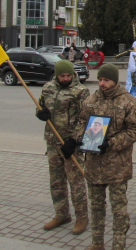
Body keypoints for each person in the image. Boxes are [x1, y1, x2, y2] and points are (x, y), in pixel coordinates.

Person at [68, 63, 136, 250]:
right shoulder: (92, 100)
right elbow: (82, 123)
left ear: (115, 81)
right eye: (100, 79)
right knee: (96, 206)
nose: (102, 83)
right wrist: (75, 138)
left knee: (118, 209)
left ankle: (118, 245)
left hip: (117, 165)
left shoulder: (128, 102)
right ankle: (97, 243)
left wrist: (111, 144)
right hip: (93, 164)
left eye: (106, 80)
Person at [36, 60, 90, 235]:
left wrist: (74, 140)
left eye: (68, 75)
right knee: (57, 182)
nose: (66, 79)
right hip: (52, 142)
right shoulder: (48, 88)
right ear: (57, 75)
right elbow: (40, 106)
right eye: (62, 76)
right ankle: (61, 214)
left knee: (76, 183)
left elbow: (86, 119)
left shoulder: (81, 91)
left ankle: (82, 217)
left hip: (71, 145)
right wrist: (40, 114)